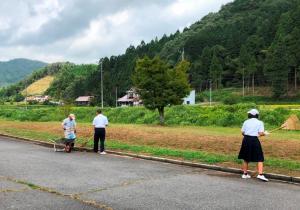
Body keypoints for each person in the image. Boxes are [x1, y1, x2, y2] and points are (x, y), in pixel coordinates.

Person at [238, 109, 269, 182]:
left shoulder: (246, 122)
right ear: (257, 115)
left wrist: (251, 134)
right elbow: (261, 133)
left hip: (246, 139)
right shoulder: (260, 122)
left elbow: (242, 132)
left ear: (250, 115)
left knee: (246, 157)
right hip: (254, 140)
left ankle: (245, 174)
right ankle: (260, 174)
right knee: (259, 157)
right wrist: (265, 133)